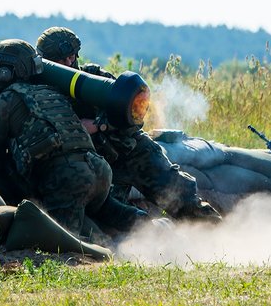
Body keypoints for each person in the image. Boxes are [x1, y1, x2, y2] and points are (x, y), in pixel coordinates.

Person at [35, 26, 222, 222]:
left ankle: (215, 232)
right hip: (97, 167)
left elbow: (134, 117)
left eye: (71, 57)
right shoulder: (43, 94)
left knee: (178, 194)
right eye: (61, 59)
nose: (68, 62)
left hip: (131, 152)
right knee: (114, 219)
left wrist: (98, 126)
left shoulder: (95, 79)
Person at [0, 39, 117, 240]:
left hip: (68, 177)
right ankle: (151, 227)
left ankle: (114, 252)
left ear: (5, 72)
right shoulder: (51, 91)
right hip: (99, 170)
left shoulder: (8, 99)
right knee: (111, 215)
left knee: (62, 240)